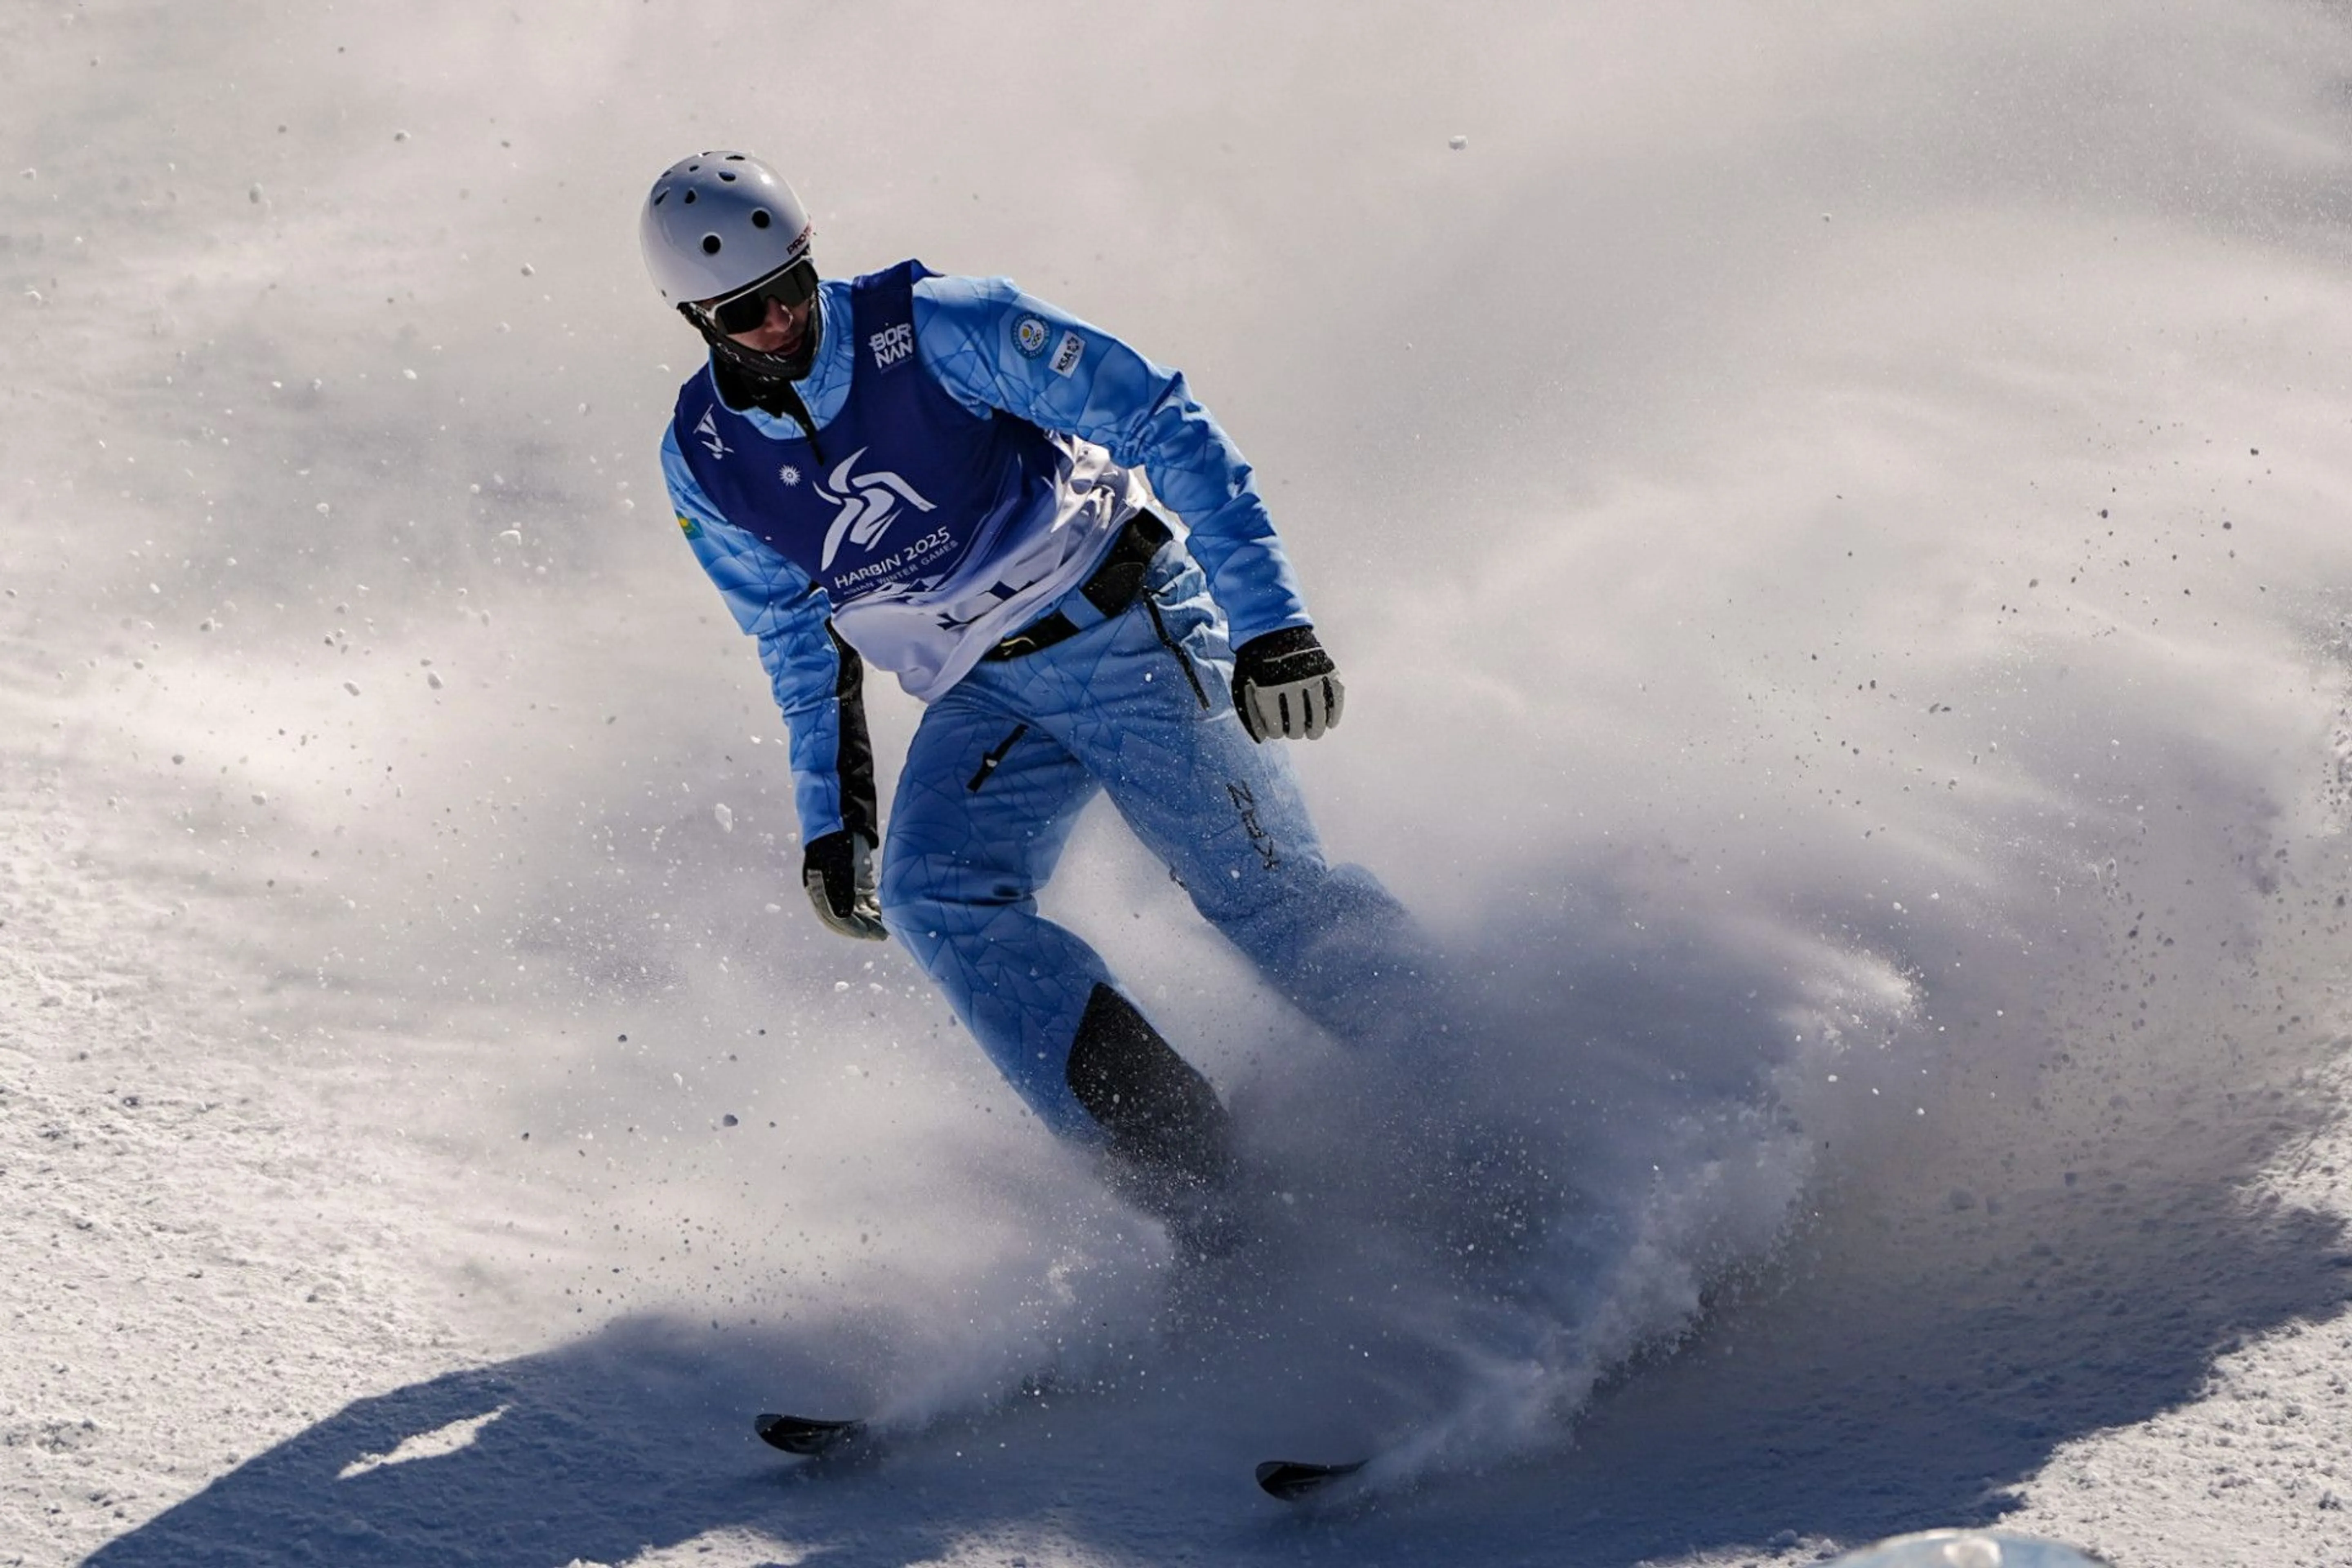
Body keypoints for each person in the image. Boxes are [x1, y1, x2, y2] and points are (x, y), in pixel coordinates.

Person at [642, 151, 1430, 1241]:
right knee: (934, 895)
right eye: (746, 312)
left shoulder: (939, 327)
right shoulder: (706, 458)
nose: (783, 321)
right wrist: (835, 824)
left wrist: (1273, 625)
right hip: (983, 694)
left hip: (1120, 627)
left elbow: (1161, 420)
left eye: (793, 286)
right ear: (697, 320)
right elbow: (791, 635)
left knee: (1261, 894)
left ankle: (1496, 1104)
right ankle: (1200, 1185)